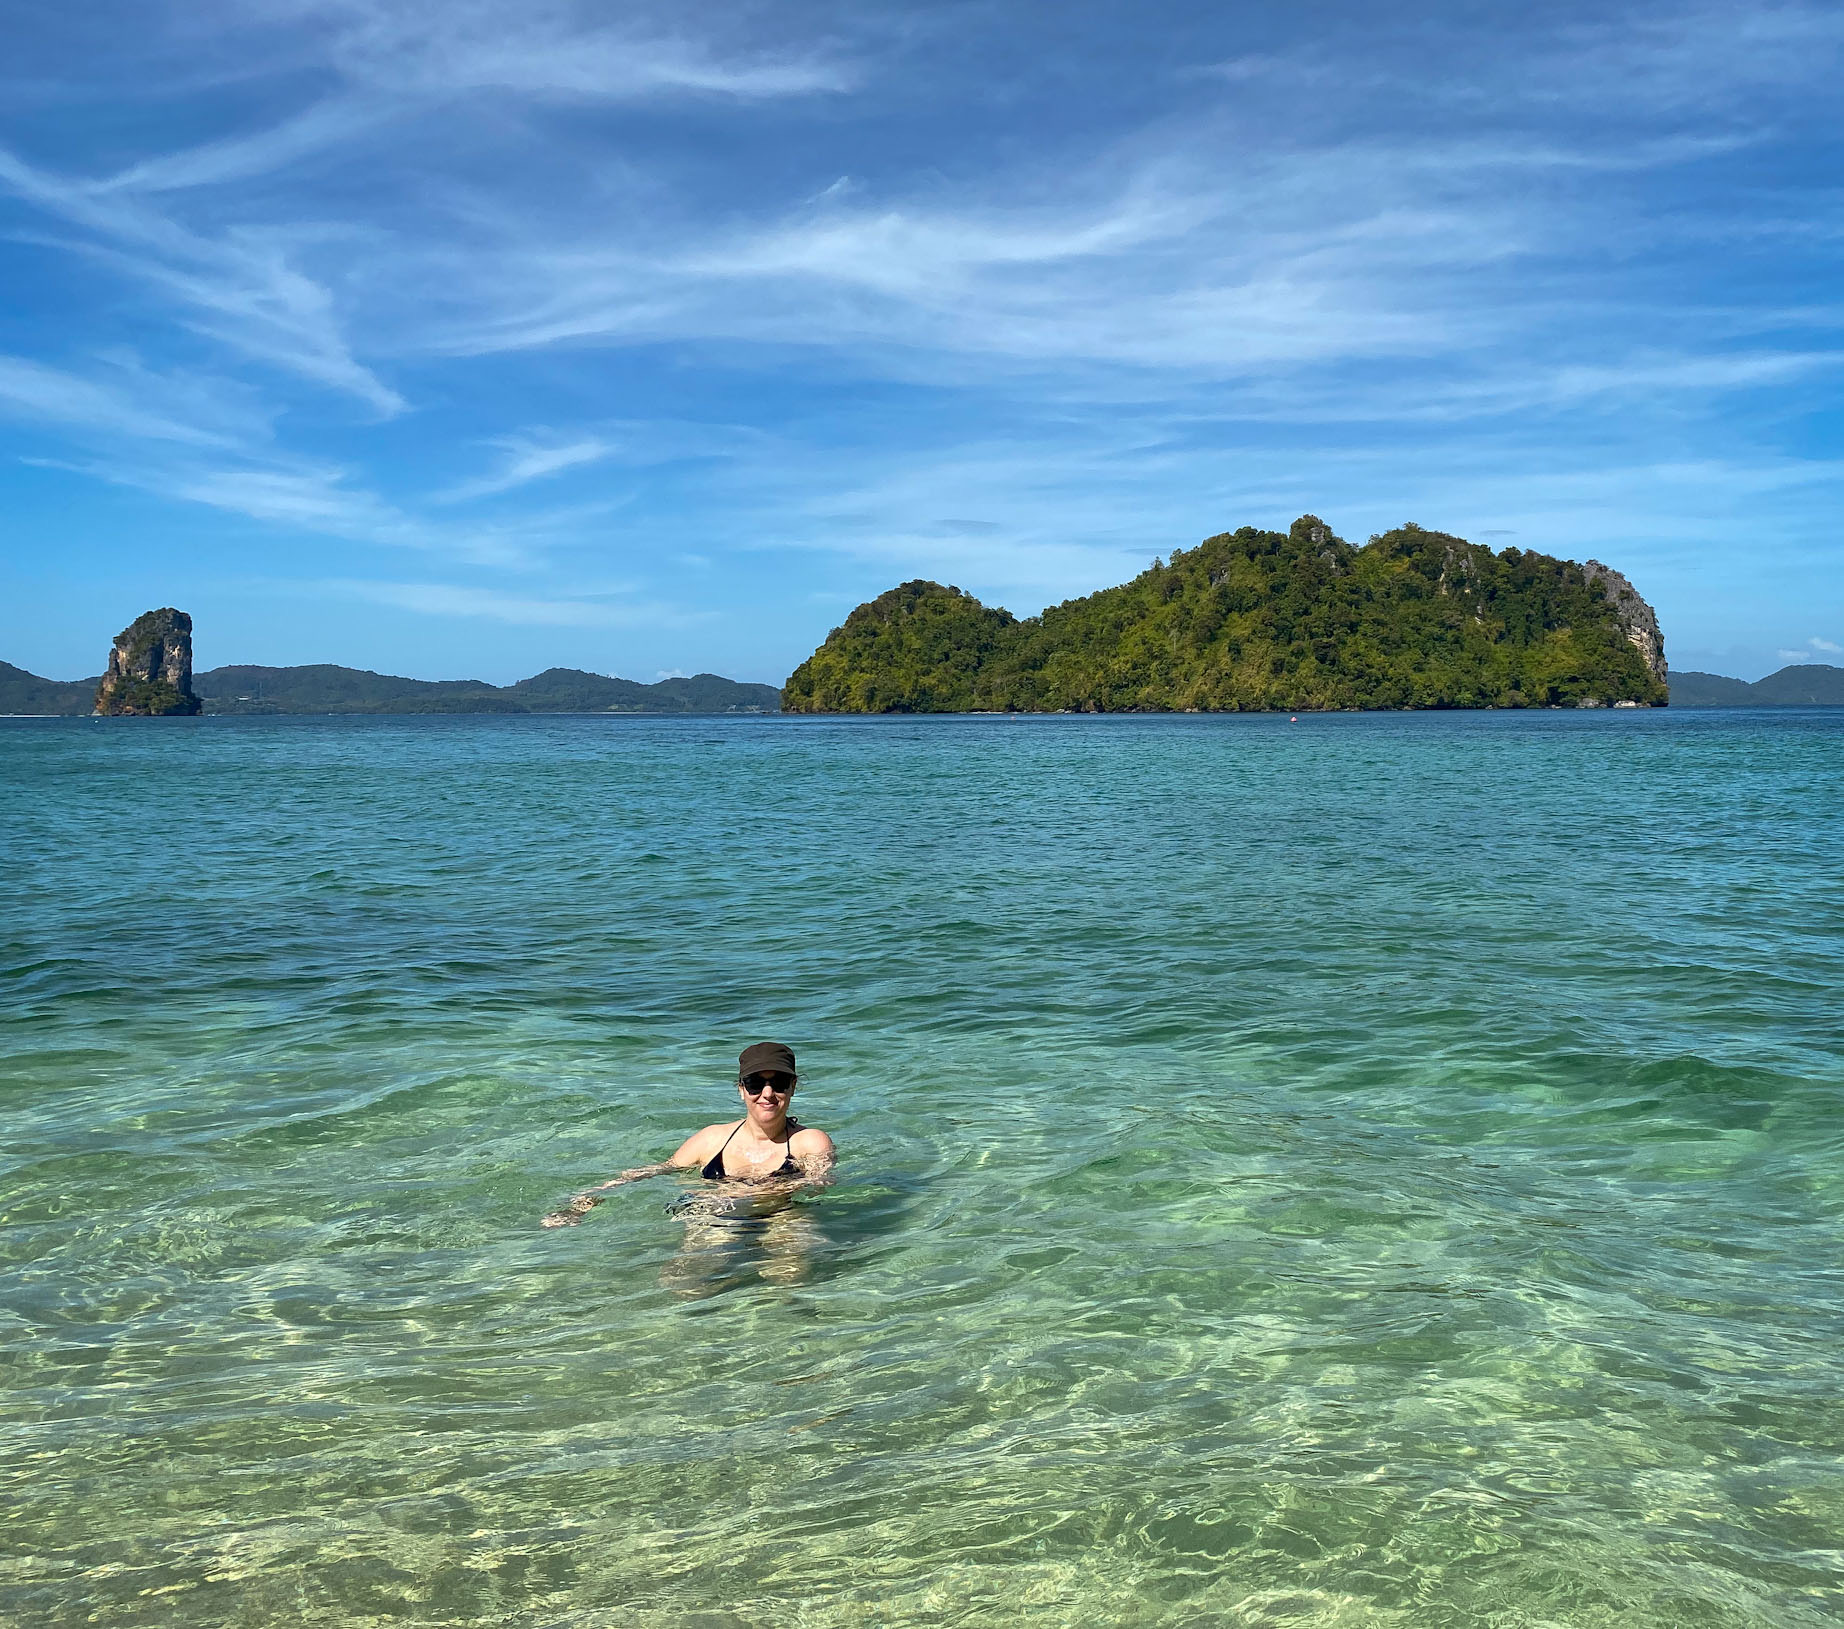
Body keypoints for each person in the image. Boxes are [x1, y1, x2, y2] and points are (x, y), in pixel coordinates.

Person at [542, 1042, 834, 1228]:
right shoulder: (711, 1140)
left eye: (779, 1083)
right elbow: (654, 1172)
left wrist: (744, 1195)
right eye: (756, 1083)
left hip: (782, 1220)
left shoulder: (809, 1142)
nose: (767, 1094)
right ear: (741, 1088)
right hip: (714, 1219)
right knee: (686, 1284)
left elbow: (820, 1184)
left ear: (793, 1086)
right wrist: (584, 1201)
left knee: (788, 1276)